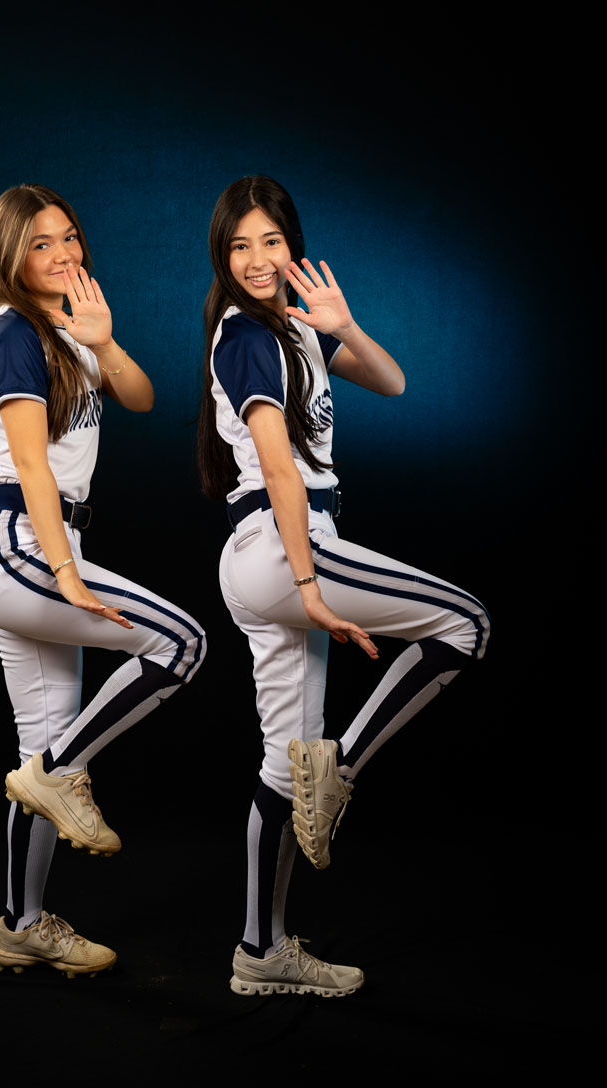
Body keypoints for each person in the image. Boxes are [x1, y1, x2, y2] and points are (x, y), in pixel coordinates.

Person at [197, 175, 490, 998]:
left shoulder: (290, 330)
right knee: (465, 624)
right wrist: (310, 583)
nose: (257, 259)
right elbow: (280, 470)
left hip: (265, 553)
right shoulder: (245, 336)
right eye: (239, 246)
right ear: (222, 257)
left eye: (271, 241)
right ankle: (345, 770)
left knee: (282, 769)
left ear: (293, 244)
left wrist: (345, 327)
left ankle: (260, 952)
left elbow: (392, 382)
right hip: (284, 544)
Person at [0, 184, 206, 979]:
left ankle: (22, 925)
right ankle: (60, 774)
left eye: (68, 236)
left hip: (38, 542)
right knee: (181, 642)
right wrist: (64, 571)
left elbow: (142, 397)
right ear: (9, 257)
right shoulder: (12, 335)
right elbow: (31, 464)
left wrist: (103, 340)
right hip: (18, 543)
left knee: (39, 750)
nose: (63, 252)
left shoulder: (65, 330)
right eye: (41, 243)